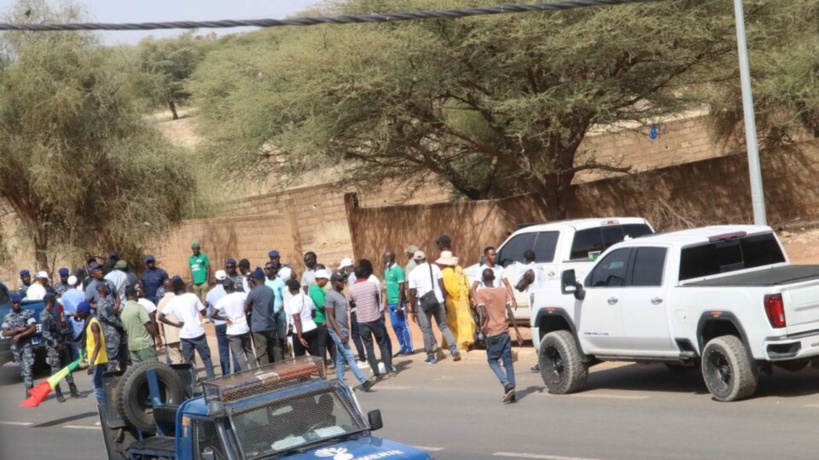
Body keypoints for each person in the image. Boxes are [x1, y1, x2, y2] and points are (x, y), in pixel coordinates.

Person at [407, 250, 461, 365]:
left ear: (415, 260)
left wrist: (412, 309)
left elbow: (412, 292)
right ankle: (454, 349)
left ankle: (431, 356)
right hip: (438, 300)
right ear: (425, 258)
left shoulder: (412, 273)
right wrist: (443, 300)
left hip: (423, 304)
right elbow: (442, 285)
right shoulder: (434, 268)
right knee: (443, 326)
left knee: (426, 330)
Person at [159, 276, 216, 379]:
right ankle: (212, 381)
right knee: (206, 359)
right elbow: (203, 312)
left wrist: (176, 325)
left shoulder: (173, 301)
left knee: (189, 363)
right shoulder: (192, 297)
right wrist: (205, 307)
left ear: (174, 289)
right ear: (183, 286)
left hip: (185, 336)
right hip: (198, 333)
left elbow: (160, 317)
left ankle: (193, 385)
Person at [474, 268, 517, 403]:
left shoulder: (480, 293)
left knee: (492, 361)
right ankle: (512, 390)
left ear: (482, 279)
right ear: (493, 278)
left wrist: (481, 329)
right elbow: (509, 312)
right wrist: (517, 331)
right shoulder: (503, 291)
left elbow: (483, 314)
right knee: (508, 361)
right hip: (504, 330)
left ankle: (506, 384)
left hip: (492, 332)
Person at [325, 273, 373, 391]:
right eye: (340, 281)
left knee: (341, 358)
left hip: (344, 329)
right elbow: (330, 316)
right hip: (337, 331)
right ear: (334, 282)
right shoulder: (330, 296)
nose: (343, 283)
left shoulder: (341, 294)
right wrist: (339, 333)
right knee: (349, 356)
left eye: (344, 280)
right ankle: (364, 381)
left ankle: (339, 383)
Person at [348, 266, 394, 377]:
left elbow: (350, 303)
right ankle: (389, 370)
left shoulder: (352, 289)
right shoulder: (372, 285)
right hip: (375, 318)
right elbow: (378, 299)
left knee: (369, 347)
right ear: (365, 274)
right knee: (382, 344)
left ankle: (376, 372)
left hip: (362, 321)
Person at [40, 292, 86, 402]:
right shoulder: (45, 314)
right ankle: (58, 393)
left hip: (61, 343)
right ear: (50, 302)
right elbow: (45, 333)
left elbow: (61, 326)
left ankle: (73, 390)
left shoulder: (55, 312)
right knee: (56, 370)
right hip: (53, 346)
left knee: (67, 367)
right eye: (53, 300)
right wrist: (56, 345)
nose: (56, 302)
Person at [436, 251, 476, 352]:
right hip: (463, 298)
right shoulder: (459, 269)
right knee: (465, 319)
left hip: (452, 299)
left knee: (453, 322)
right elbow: (467, 284)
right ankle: (467, 342)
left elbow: (445, 288)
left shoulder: (445, 272)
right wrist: (471, 297)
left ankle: (456, 343)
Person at [212, 279, 255, 372]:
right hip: (244, 328)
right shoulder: (242, 295)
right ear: (233, 286)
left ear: (224, 288)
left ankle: (247, 374)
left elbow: (213, 314)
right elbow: (250, 304)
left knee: (239, 354)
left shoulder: (223, 300)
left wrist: (224, 318)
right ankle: (255, 371)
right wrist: (246, 312)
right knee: (249, 351)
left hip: (232, 331)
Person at [2, 293, 37, 397]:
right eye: (14, 303)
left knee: (27, 368)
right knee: (22, 369)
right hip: (16, 347)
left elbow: (33, 328)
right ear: (11, 303)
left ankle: (29, 393)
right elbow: (5, 332)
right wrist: (16, 331)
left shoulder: (26, 313)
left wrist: (20, 335)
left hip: (26, 345)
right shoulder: (8, 316)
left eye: (18, 303)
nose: (16, 305)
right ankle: (30, 386)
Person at [206, 269, 240, 375]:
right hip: (232, 323)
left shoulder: (210, 293)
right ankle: (238, 372)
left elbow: (209, 312)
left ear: (215, 279)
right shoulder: (231, 291)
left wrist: (215, 320)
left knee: (223, 350)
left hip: (219, 324)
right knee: (235, 349)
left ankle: (226, 374)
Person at [246, 267, 282, 364]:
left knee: (262, 352)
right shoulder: (270, 290)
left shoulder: (253, 292)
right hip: (270, 324)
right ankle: (281, 368)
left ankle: (266, 371)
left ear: (254, 279)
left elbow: (245, 308)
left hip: (258, 326)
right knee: (275, 349)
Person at [77, 301, 108, 406]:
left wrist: (92, 362)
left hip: (99, 361)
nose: (77, 314)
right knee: (100, 387)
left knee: (98, 388)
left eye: (79, 312)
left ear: (84, 312)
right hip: (97, 360)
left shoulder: (93, 324)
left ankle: (105, 411)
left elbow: (98, 343)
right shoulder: (89, 322)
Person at [383, 250, 412, 356]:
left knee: (403, 325)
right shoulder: (386, 270)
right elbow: (387, 287)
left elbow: (401, 288)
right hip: (390, 303)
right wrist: (385, 302)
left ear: (389, 258)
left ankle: (409, 348)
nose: (383, 260)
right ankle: (402, 347)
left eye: (384, 258)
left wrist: (400, 304)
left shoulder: (398, 270)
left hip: (398, 302)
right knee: (395, 325)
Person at [471, 246, 517, 311]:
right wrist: (478, 302)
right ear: (486, 257)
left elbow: (507, 284)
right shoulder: (481, 270)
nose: (495, 256)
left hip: (498, 301)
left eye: (495, 254)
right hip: (487, 303)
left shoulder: (500, 268)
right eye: (492, 255)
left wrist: (513, 298)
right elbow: (473, 288)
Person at [121, 286, 158, 364]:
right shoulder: (139, 308)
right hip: (145, 344)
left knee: (139, 370)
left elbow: (125, 331)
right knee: (152, 367)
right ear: (133, 294)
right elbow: (148, 325)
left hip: (132, 347)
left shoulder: (123, 312)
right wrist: (157, 337)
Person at [285, 279, 320, 357]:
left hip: (299, 331)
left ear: (290, 290)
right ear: (299, 287)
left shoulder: (292, 301)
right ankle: (320, 365)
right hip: (312, 327)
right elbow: (314, 314)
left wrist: (300, 337)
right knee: (316, 355)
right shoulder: (308, 298)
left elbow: (297, 319)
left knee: (300, 357)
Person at [96, 282, 125, 372]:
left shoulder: (106, 301)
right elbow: (111, 318)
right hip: (110, 333)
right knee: (112, 358)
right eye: (106, 287)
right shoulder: (103, 303)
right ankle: (111, 376)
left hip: (113, 332)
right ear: (101, 289)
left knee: (118, 355)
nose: (108, 289)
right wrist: (122, 326)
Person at [308, 269, 334, 366]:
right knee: (322, 344)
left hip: (323, 319)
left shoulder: (317, 288)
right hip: (320, 320)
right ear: (320, 279)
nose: (327, 282)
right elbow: (322, 306)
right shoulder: (316, 290)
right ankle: (324, 367)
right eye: (326, 280)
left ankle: (333, 363)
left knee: (330, 343)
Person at [264, 262, 288, 360]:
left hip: (279, 313)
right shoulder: (264, 281)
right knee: (271, 336)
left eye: (268, 269)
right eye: (265, 269)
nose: (266, 271)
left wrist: (279, 311)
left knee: (281, 336)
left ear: (274, 270)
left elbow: (284, 299)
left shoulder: (280, 282)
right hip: (268, 314)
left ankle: (283, 356)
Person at [60, 276, 87, 363]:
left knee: (74, 342)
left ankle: (77, 361)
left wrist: (71, 313)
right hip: (82, 319)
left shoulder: (64, 295)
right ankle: (84, 359)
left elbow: (62, 310)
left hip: (71, 321)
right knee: (84, 339)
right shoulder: (82, 294)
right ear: (77, 283)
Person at [157, 278, 183, 364]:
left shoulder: (161, 302)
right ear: (173, 287)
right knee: (188, 358)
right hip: (184, 334)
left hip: (170, 336)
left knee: (176, 360)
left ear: (164, 288)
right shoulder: (180, 299)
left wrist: (162, 337)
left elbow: (159, 323)